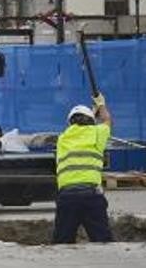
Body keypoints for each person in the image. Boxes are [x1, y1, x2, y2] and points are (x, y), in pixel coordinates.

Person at [53, 94, 113, 244]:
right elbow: (106, 120)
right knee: (102, 240)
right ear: (92, 122)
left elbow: (82, 127)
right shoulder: (97, 133)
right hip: (91, 196)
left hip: (67, 197)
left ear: (70, 123)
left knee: (62, 241)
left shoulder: (62, 139)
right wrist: (101, 104)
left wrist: (93, 111)